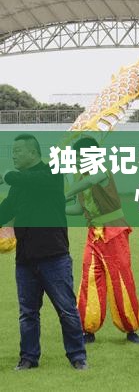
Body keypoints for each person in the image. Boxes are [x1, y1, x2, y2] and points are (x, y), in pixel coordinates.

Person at [0, 134, 87, 370]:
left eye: (18, 151)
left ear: (33, 152)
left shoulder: (51, 173)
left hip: (54, 256)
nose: (14, 155)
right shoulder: (19, 185)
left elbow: (26, 180)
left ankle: (78, 357)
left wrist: (7, 176)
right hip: (25, 259)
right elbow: (5, 210)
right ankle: (28, 358)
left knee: (66, 309)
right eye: (12, 152)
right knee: (28, 313)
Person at [66, 137, 139, 344]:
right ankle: (87, 329)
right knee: (90, 278)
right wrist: (56, 207)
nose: (78, 161)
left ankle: (130, 328)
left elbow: (89, 182)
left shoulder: (101, 171)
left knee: (120, 279)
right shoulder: (81, 177)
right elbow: (79, 209)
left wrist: (64, 193)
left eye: (81, 157)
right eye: (76, 157)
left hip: (114, 232)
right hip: (94, 233)